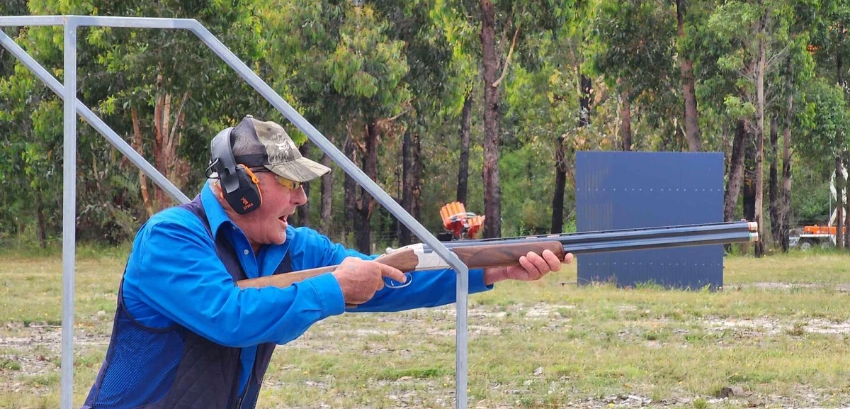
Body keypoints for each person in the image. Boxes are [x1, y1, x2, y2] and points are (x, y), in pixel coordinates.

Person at [82, 115, 570, 409]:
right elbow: (228, 316)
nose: (300, 199)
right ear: (243, 186)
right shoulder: (170, 238)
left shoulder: (295, 246)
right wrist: (334, 290)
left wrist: (487, 270)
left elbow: (389, 275)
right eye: (290, 184)